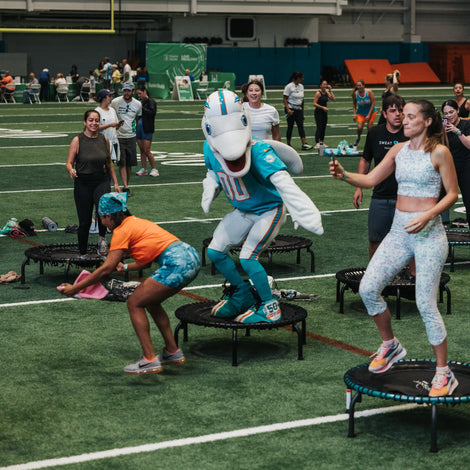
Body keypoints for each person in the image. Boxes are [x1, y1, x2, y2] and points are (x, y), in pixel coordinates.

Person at [329, 99, 459, 397]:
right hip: (399, 232)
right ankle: (390, 346)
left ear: (427, 121)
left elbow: (452, 194)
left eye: (411, 116)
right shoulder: (398, 150)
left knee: (426, 304)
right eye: (404, 115)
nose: (404, 118)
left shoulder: (439, 152)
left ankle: (443, 372)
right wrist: (345, 175)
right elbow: (372, 178)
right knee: (368, 288)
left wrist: (427, 215)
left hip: (429, 235)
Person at [201, 90, 323, 323]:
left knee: (248, 258)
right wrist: (210, 188)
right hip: (243, 210)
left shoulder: (258, 150)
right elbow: (213, 171)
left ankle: (269, 306)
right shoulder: (210, 147)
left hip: (269, 209)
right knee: (215, 251)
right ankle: (242, 293)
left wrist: (301, 208)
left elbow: (283, 180)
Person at [58, 192, 201, 375]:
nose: (102, 223)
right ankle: (172, 352)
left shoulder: (121, 231)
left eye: (102, 218)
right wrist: (125, 267)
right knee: (150, 301)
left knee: (134, 302)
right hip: (190, 256)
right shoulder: (137, 222)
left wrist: (75, 288)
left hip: (177, 264)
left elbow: (105, 269)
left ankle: (149, 359)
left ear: (109, 216)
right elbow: (146, 262)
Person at [353, 95, 408, 259]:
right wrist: (358, 188)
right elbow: (365, 160)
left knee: (409, 241)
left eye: (400, 110)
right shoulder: (375, 133)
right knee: (375, 240)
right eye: (392, 111)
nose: (397, 114)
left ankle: (409, 278)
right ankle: (375, 276)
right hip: (380, 197)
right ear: (384, 114)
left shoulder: (410, 133)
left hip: (406, 198)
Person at [66, 110, 121, 258]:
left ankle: (102, 240)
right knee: (84, 220)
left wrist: (116, 183)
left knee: (104, 212)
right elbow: (69, 162)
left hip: (101, 180)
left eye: (97, 120)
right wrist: (71, 170)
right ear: (85, 122)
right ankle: (82, 252)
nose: (94, 123)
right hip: (83, 182)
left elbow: (109, 163)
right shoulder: (77, 140)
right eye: (91, 120)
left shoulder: (104, 140)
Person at [441, 99, 470, 228]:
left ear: (458, 110)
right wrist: (443, 133)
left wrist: (457, 131)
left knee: (468, 198)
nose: (449, 116)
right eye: (446, 113)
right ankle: (444, 224)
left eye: (451, 112)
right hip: (448, 167)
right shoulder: (443, 126)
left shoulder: (466, 124)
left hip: (465, 166)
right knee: (442, 196)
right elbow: (442, 148)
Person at [111, 81, 142, 196]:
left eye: (129, 91)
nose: (126, 93)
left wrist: (133, 130)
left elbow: (138, 118)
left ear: (133, 92)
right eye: (125, 90)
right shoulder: (115, 102)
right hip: (118, 136)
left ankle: (126, 184)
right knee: (122, 162)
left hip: (131, 136)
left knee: (129, 163)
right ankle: (126, 186)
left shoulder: (138, 104)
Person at [283, 71, 313, 150]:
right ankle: (288, 144)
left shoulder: (301, 86)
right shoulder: (289, 86)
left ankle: (304, 144)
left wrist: (302, 111)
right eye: (302, 78)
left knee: (301, 126)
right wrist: (288, 109)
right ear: (298, 78)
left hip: (299, 109)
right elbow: (285, 98)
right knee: (290, 127)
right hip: (291, 109)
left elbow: (302, 99)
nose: (303, 79)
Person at [135, 86, 159, 177]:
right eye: (138, 94)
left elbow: (152, 113)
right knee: (141, 150)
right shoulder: (140, 102)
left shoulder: (151, 102)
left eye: (140, 93)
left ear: (145, 92)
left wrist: (142, 108)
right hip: (139, 127)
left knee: (146, 150)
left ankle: (154, 169)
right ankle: (144, 169)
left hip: (147, 128)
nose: (139, 95)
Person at [95, 89, 121, 163]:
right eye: (109, 96)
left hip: (113, 141)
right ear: (103, 98)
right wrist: (109, 125)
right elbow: (95, 128)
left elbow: (116, 126)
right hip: (102, 143)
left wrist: (118, 125)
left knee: (111, 165)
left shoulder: (112, 110)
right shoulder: (97, 111)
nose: (111, 98)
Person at [352, 79, 377, 149]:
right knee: (359, 127)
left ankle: (370, 142)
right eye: (357, 86)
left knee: (369, 128)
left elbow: (373, 103)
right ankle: (358, 137)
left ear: (363, 86)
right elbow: (354, 105)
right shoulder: (355, 94)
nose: (358, 87)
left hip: (371, 112)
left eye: (360, 85)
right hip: (361, 113)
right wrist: (354, 114)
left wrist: (369, 114)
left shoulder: (369, 92)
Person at [312, 80, 335, 148]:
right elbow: (314, 103)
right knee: (319, 127)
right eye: (324, 84)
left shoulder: (327, 92)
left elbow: (333, 99)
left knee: (323, 127)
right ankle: (317, 142)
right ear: (321, 85)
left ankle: (321, 142)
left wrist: (330, 90)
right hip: (318, 112)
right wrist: (322, 107)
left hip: (324, 113)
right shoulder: (318, 93)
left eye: (326, 84)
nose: (325, 86)